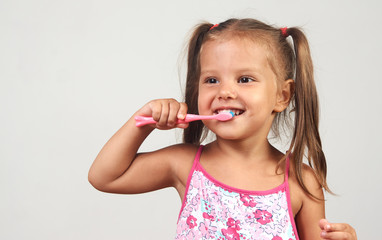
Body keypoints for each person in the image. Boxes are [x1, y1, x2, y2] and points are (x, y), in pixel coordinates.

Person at [88, 18, 357, 240]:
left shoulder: (301, 180)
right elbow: (105, 177)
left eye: (245, 79)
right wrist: (144, 120)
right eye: (212, 80)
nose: (225, 91)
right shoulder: (184, 163)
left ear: (282, 96)